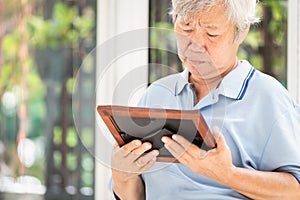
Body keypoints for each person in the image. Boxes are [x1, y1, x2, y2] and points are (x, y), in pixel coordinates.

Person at [110, 0, 300, 199]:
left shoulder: (268, 98)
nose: (195, 46)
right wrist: (122, 177)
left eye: (211, 33)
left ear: (242, 30)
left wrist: (228, 175)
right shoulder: (157, 93)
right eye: (186, 28)